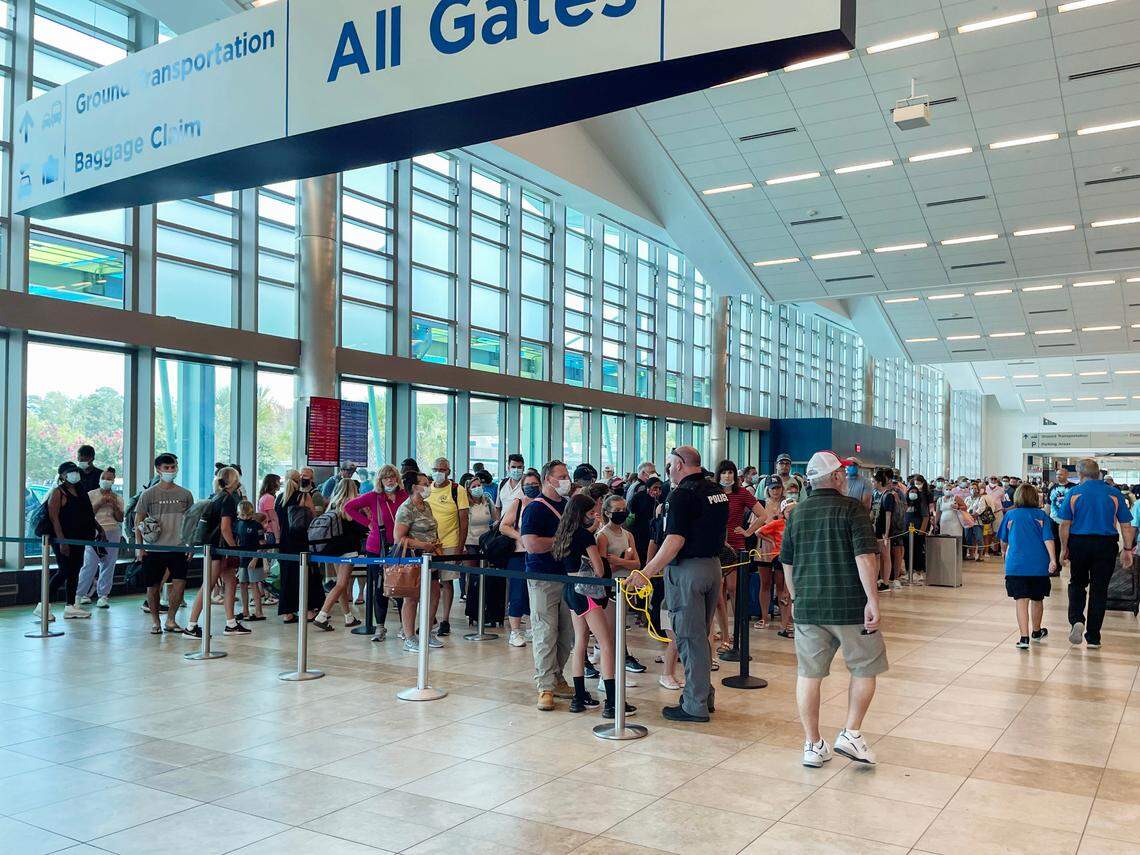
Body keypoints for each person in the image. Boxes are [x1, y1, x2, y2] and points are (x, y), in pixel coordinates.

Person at [780, 451, 886, 768]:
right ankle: (851, 734)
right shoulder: (853, 510)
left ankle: (813, 745)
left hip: (809, 608)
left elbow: (787, 562)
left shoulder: (796, 515)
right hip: (850, 605)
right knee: (865, 667)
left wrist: (797, 596)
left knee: (809, 675)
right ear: (837, 477)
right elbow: (865, 557)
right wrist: (873, 600)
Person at [629, 446, 727, 724]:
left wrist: (646, 572)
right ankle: (703, 694)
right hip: (712, 567)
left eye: (671, 463)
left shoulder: (681, 495)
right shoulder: (715, 490)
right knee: (702, 636)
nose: (668, 469)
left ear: (682, 464)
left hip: (688, 571)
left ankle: (694, 704)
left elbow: (674, 540)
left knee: (688, 638)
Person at [554, 493, 635, 719]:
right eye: (590, 513)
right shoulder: (586, 538)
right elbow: (599, 570)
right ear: (582, 514)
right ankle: (612, 701)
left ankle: (579, 697)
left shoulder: (564, 533)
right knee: (606, 642)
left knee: (579, 642)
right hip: (587, 590)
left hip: (570, 589)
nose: (593, 517)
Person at [1059, 458, 1135, 649]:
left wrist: (1064, 548)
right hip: (1105, 544)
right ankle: (1093, 637)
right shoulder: (1114, 493)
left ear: (1080, 474)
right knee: (1099, 589)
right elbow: (1126, 526)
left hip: (1079, 543)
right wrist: (1127, 550)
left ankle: (1077, 619)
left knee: (1077, 583)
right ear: (1098, 473)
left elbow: (1064, 525)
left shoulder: (1074, 493)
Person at [521, 460, 576, 711]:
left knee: (567, 633)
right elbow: (531, 544)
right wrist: (561, 541)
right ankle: (544, 685)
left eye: (567, 475)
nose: (566, 480)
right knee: (545, 632)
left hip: (567, 576)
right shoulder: (534, 509)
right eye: (561, 476)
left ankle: (557, 675)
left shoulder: (567, 506)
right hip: (542, 577)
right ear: (548, 479)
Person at [184, 466, 249, 637]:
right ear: (234, 480)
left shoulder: (217, 497)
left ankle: (231, 623)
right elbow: (226, 528)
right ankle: (191, 626)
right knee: (208, 585)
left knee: (231, 582)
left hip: (215, 547)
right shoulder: (228, 500)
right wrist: (235, 548)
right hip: (219, 549)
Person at [345, 463, 405, 640]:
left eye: (392, 477)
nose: (389, 480)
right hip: (376, 548)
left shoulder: (404, 496)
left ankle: (404, 626)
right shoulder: (373, 496)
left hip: (399, 547)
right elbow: (349, 507)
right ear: (380, 480)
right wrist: (368, 523)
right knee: (379, 588)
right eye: (386, 477)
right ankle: (380, 626)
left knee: (402, 587)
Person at [135, 454, 193, 634]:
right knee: (152, 587)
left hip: (178, 547)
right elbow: (139, 519)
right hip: (154, 549)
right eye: (166, 467)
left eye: (173, 467)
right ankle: (155, 621)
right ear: (158, 470)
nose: (170, 470)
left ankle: (171, 619)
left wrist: (190, 544)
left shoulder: (185, 494)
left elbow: (191, 521)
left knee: (179, 584)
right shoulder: (148, 494)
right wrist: (140, 547)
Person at [998, 483, 1057, 649]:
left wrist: (1004, 552)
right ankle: (1036, 631)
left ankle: (1024, 638)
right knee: (1038, 598)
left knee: (1021, 600)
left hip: (1016, 565)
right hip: (1038, 565)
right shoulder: (1042, 516)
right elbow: (1048, 539)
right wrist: (1053, 560)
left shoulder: (1010, 516)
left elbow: (1003, 540)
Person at [40, 462, 100, 621]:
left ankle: (70, 605)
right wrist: (62, 541)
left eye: (75, 471)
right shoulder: (58, 492)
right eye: (70, 472)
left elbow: (88, 514)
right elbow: (54, 518)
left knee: (74, 571)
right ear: (62, 476)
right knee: (64, 571)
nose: (74, 474)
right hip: (62, 538)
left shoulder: (81, 491)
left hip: (78, 538)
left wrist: (99, 530)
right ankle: (43, 605)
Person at [393, 470, 443, 651]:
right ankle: (409, 637)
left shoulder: (427, 506)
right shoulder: (406, 509)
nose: (428, 485)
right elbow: (399, 538)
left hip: (431, 558)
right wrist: (422, 544)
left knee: (434, 594)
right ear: (414, 487)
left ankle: (427, 632)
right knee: (412, 597)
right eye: (424, 483)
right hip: (413, 559)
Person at [312, 479, 365, 631]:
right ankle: (322, 615)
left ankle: (348, 616)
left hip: (333, 549)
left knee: (340, 583)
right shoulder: (353, 505)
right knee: (342, 583)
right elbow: (360, 527)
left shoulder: (333, 504)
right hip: (348, 549)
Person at [426, 457, 468, 637]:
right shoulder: (427, 490)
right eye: (435, 469)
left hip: (450, 543)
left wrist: (460, 547)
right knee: (428, 583)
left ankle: (445, 620)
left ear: (448, 472)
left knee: (447, 581)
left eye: (442, 470)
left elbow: (464, 521)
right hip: (428, 544)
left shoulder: (457, 490)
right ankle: (429, 618)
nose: (438, 472)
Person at [276, 468, 322, 624]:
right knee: (304, 575)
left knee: (287, 577)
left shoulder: (279, 498)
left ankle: (287, 613)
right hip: (300, 541)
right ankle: (308, 611)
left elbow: (277, 522)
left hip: (284, 541)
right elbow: (313, 518)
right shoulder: (303, 496)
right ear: (299, 481)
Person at [500, 470, 540, 647]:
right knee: (517, 592)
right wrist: (521, 537)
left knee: (536, 593)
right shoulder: (518, 503)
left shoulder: (543, 503)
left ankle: (533, 628)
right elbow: (504, 526)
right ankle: (515, 631)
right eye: (527, 485)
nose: (531, 487)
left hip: (538, 554)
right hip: (519, 553)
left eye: (534, 484)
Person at [78, 466, 123, 609]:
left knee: (109, 564)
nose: (106, 481)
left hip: (112, 531)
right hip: (94, 532)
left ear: (113, 480)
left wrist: (114, 505)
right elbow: (86, 514)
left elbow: (120, 517)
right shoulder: (91, 494)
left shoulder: (118, 497)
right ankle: (80, 594)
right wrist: (100, 503)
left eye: (109, 479)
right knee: (89, 563)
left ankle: (103, 595)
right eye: (103, 478)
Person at [464, 474, 502, 626]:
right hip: (470, 542)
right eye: (473, 487)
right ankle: (473, 610)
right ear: (468, 489)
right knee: (473, 578)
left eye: (478, 485)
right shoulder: (466, 504)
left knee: (487, 577)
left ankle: (488, 610)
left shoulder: (487, 500)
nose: (477, 488)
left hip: (486, 542)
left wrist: (495, 528)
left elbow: (496, 518)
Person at [235, 502, 268, 622]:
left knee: (254, 584)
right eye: (242, 515)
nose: (245, 517)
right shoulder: (238, 524)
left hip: (254, 559)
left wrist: (255, 558)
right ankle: (245, 611)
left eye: (247, 515)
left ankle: (259, 612)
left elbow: (262, 544)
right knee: (243, 584)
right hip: (243, 558)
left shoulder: (256, 526)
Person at [965, 483, 989, 563]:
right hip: (968, 521)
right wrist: (967, 516)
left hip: (977, 521)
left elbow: (981, 508)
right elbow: (964, 507)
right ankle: (971, 554)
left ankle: (980, 555)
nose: (973, 490)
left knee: (979, 538)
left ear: (978, 489)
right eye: (971, 488)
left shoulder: (981, 498)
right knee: (969, 538)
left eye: (975, 488)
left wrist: (974, 515)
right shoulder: (967, 498)